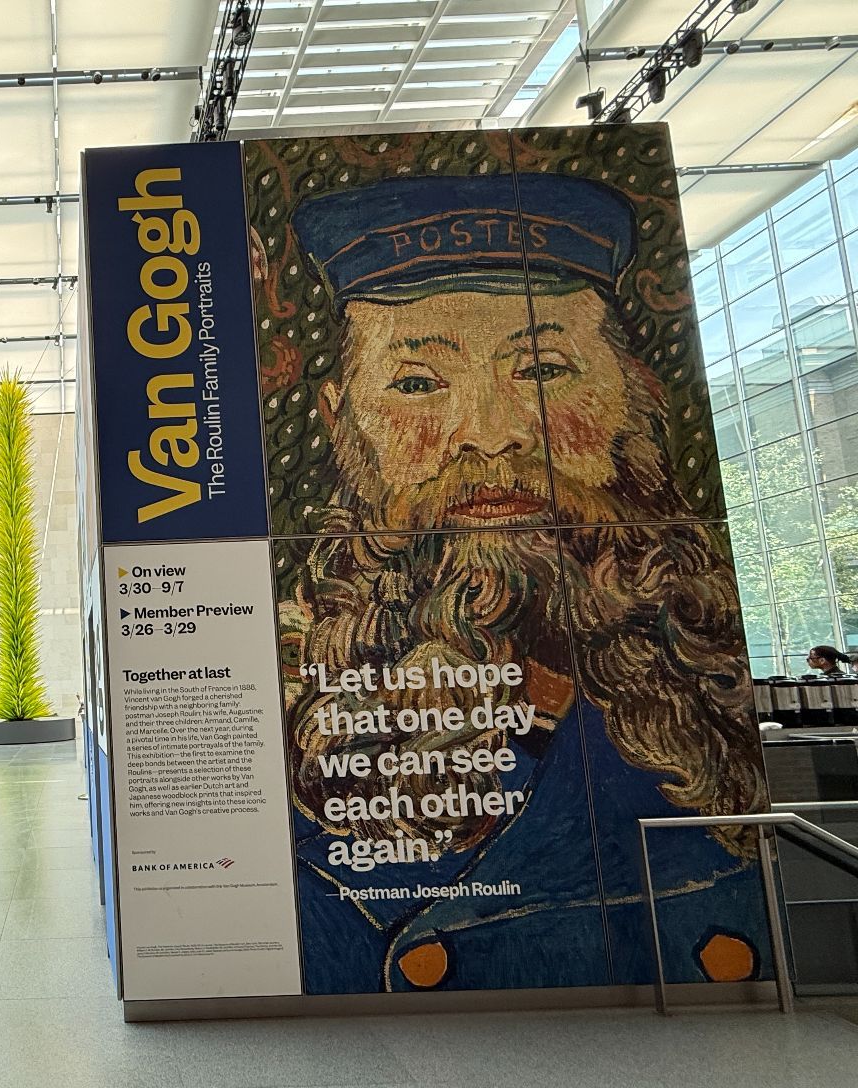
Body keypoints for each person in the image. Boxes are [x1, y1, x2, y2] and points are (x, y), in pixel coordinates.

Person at [273, 168, 766, 994]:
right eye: (417, 384)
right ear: (340, 421)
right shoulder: (284, 712)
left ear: (633, 398)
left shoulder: (709, 707)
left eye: (541, 371)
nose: (490, 435)